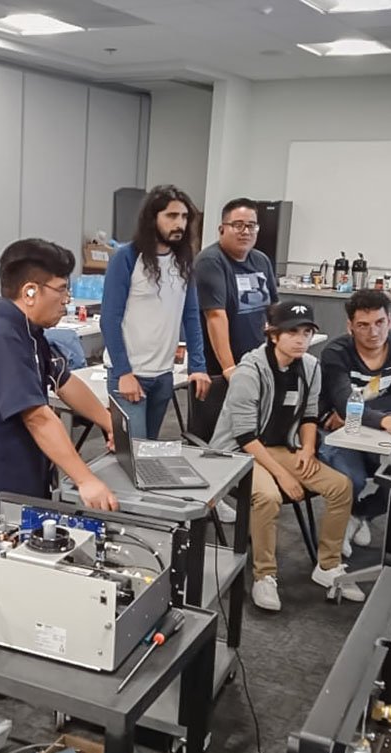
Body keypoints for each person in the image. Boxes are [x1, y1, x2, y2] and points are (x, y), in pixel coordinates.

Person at [0, 238, 118, 540]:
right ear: (30, 291)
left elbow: (64, 381)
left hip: (16, 483)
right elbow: (37, 417)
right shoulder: (0, 336)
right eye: (61, 289)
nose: (67, 300)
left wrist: (108, 422)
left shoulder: (28, 331)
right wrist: (85, 480)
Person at [209, 301, 361, 611]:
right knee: (268, 496)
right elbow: (244, 435)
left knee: (341, 486)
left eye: (306, 332)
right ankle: (264, 575)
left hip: (281, 448)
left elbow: (309, 414)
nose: (301, 340)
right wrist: (283, 475)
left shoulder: (311, 367)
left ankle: (328, 565)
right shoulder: (249, 371)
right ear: (273, 334)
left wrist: (308, 448)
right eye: (292, 332)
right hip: (238, 452)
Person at [100, 185, 211, 440]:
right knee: (133, 455)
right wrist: (123, 373)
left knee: (148, 451)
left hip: (163, 376)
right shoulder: (127, 258)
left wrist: (198, 365)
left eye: (184, 217)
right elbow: (110, 319)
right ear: (153, 218)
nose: (179, 224)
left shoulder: (183, 260)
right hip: (130, 375)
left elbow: (191, 315)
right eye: (171, 216)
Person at [319, 290, 391, 555]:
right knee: (351, 480)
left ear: (390, 321)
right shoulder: (336, 353)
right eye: (363, 325)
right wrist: (383, 420)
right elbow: (342, 404)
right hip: (335, 429)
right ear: (350, 326)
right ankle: (339, 525)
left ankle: (359, 514)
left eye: (379, 322)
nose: (373, 332)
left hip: (358, 423)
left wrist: (358, 413)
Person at [194, 197, 279, 380]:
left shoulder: (261, 260)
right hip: (219, 367)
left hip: (257, 362)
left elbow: (274, 309)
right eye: (238, 225)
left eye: (251, 226)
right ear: (222, 229)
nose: (245, 231)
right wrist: (229, 368)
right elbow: (215, 316)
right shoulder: (210, 261)